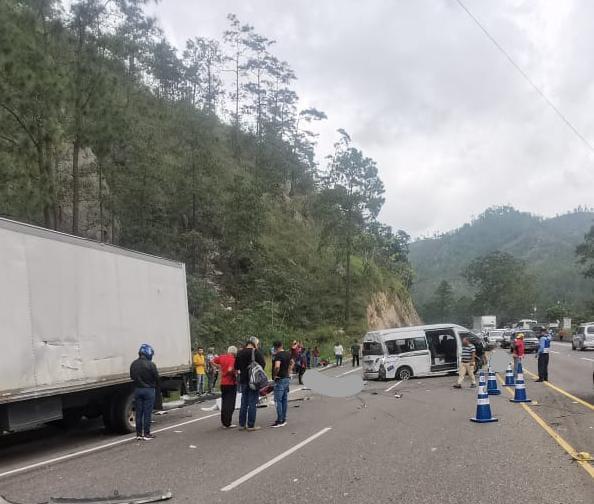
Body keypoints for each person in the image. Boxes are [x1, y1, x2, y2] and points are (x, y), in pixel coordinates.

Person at [234, 336, 266, 431]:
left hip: (243, 380)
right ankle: (251, 425)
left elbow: (236, 366)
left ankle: (241, 424)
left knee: (244, 402)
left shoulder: (239, 353)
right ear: (254, 343)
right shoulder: (255, 352)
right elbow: (263, 364)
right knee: (252, 402)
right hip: (253, 381)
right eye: (257, 344)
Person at [130, 344, 159, 440]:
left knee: (139, 412)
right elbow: (156, 377)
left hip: (137, 389)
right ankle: (146, 433)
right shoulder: (151, 364)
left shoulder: (133, 364)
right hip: (149, 390)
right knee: (147, 413)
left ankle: (138, 434)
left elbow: (132, 377)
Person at [212, 346, 238, 428]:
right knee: (230, 404)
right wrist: (233, 373)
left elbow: (212, 360)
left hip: (223, 383)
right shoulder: (233, 359)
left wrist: (219, 367)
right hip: (231, 383)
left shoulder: (222, 357)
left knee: (224, 402)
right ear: (234, 352)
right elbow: (230, 369)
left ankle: (224, 422)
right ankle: (228, 422)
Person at [271, 340, 292, 428]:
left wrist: (275, 375)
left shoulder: (278, 355)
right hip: (286, 378)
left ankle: (279, 420)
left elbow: (277, 366)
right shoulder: (288, 354)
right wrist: (289, 372)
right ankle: (283, 418)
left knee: (278, 400)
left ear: (275, 347)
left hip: (279, 379)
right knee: (284, 399)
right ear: (282, 345)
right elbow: (292, 363)